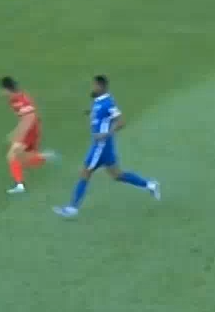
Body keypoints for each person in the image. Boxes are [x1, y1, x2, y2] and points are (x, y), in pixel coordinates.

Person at [54, 74, 158, 217]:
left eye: (94, 85)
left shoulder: (108, 103)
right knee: (117, 175)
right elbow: (102, 116)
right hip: (105, 147)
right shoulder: (98, 101)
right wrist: (91, 113)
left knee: (85, 172)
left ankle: (72, 208)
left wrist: (106, 134)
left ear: (101, 86)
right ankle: (150, 185)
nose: (92, 88)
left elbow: (120, 122)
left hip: (100, 146)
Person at [0, 76, 54, 193]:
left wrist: (18, 134)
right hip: (32, 129)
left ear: (7, 89)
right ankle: (43, 157)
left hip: (30, 130)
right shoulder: (16, 98)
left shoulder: (19, 100)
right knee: (21, 159)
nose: (2, 93)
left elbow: (29, 118)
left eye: (3, 90)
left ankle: (20, 185)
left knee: (12, 155)